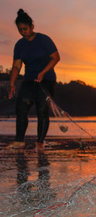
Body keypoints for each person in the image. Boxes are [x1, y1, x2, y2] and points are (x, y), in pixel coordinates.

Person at [7, 9, 60, 151]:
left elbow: (56, 58)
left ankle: (40, 142)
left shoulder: (44, 40)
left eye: (25, 28)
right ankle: (19, 141)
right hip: (29, 80)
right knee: (21, 107)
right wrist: (12, 83)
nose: (22, 32)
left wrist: (43, 72)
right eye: (20, 30)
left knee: (42, 110)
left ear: (32, 27)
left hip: (47, 79)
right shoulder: (19, 45)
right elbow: (16, 66)